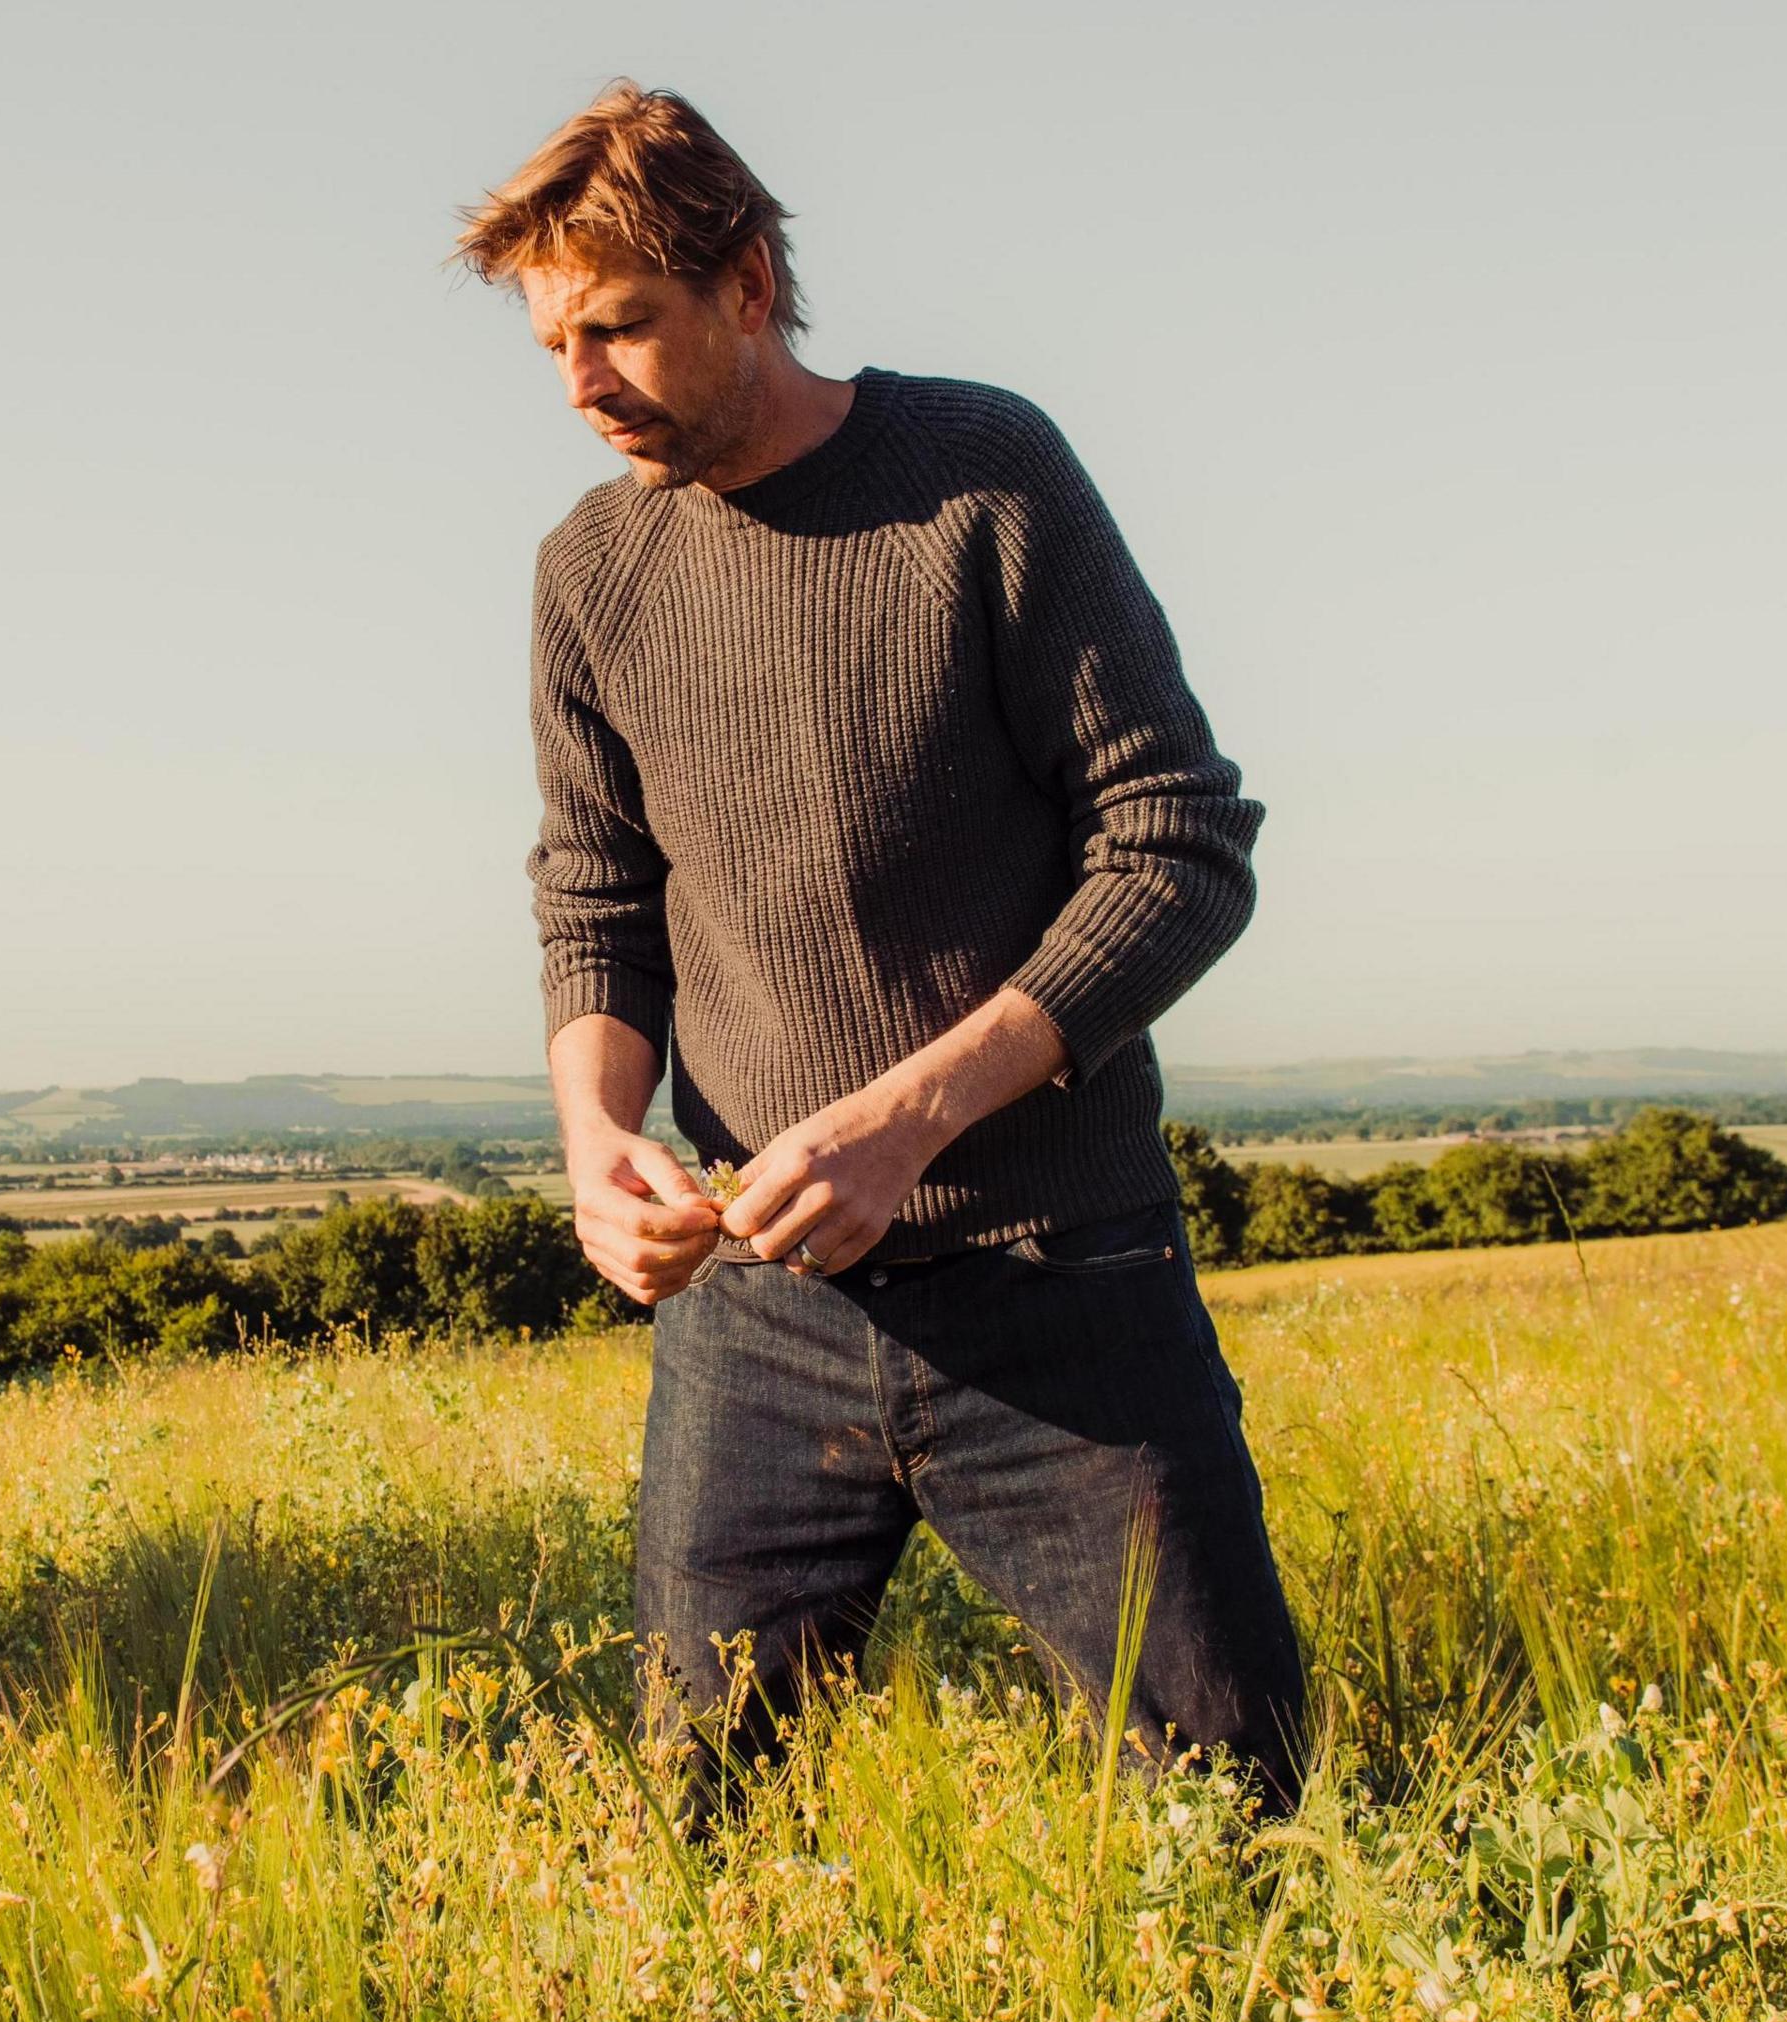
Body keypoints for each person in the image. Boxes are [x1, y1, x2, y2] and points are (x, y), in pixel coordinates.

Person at [456, 82, 1310, 1811]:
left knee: (1239, 1813)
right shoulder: (588, 574)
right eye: (554, 345)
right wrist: (597, 1140)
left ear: (751, 281)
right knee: (700, 1824)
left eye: (619, 326)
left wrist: (907, 1117)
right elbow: (597, 895)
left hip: (1064, 1280)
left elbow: (1180, 843)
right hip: (752, 1320)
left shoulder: (984, 480)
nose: (583, 385)